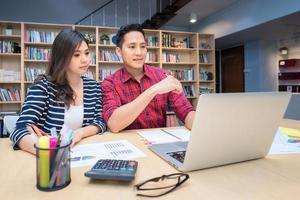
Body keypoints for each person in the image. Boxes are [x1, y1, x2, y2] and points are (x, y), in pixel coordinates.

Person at [10, 29, 106, 154]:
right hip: (50, 158)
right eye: (76, 55)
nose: (85, 60)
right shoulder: (43, 86)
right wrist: (46, 149)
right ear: (62, 58)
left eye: (87, 53)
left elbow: (100, 122)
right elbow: (20, 129)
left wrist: (80, 133)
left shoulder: (94, 87)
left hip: (82, 152)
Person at [102, 24, 195, 133]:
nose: (139, 53)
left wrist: (200, 123)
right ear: (119, 51)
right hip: (129, 145)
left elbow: (185, 110)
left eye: (143, 46)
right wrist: (153, 90)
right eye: (132, 47)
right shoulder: (110, 83)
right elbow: (114, 124)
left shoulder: (162, 76)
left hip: (159, 144)